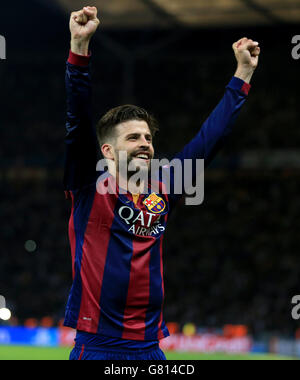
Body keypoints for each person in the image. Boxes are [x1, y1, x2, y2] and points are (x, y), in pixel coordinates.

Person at [64, 6, 260, 360]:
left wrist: (243, 73)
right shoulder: (87, 187)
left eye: (148, 137)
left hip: (151, 350)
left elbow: (209, 138)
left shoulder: (166, 185)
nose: (145, 143)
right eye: (134, 137)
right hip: (99, 347)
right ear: (107, 150)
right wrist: (79, 49)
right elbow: (77, 120)